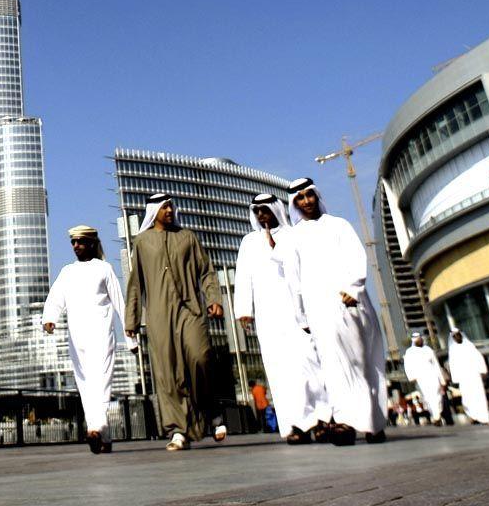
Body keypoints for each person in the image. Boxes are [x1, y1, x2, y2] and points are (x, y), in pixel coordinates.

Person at [283, 177, 387, 445]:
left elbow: (356, 258)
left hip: (350, 303)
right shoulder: (293, 237)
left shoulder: (338, 225)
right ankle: (345, 422)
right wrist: (301, 315)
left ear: (316, 196)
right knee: (333, 366)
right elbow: (294, 280)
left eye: (309, 196)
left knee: (360, 363)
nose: (306, 202)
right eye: (300, 198)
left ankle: (372, 423)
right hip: (319, 310)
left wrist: (352, 289)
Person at [124, 192, 226, 451]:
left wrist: (213, 298)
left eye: (171, 207)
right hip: (159, 315)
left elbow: (206, 271)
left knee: (200, 358)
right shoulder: (143, 242)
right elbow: (136, 284)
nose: (169, 211)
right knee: (168, 373)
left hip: (191, 309)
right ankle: (178, 430)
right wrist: (132, 320)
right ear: (154, 211)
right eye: (164, 207)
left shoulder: (187, 237)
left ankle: (209, 408)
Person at [235, 193, 330, 444]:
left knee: (310, 364)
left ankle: (321, 418)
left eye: (265, 210)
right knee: (280, 370)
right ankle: (295, 425)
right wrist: (244, 309)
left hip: (298, 311)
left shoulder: (293, 235)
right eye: (257, 212)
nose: (261, 215)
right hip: (268, 316)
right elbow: (243, 277)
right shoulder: (249, 242)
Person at [42, 224, 134, 454]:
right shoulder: (67, 272)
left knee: (101, 382)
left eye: (81, 242)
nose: (76, 246)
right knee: (85, 385)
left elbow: (120, 304)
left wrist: (131, 337)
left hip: (102, 334)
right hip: (77, 337)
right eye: (73, 242)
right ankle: (104, 437)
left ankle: (94, 427)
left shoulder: (105, 268)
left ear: (91, 243)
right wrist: (49, 318)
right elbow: (55, 298)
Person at [403, 333, 447, 425]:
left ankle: (436, 415)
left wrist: (442, 379)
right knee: (428, 397)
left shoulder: (428, 349)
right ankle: (436, 416)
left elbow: (436, 364)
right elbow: (408, 366)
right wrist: (412, 377)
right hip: (421, 378)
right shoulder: (409, 352)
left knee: (437, 396)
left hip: (433, 376)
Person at [447, 330, 489, 424]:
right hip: (463, 378)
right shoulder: (453, 350)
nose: (457, 337)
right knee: (467, 398)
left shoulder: (470, 346)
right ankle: (473, 416)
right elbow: (453, 365)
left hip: (475, 375)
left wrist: (483, 371)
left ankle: (483, 418)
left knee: (479, 396)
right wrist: (455, 378)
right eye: (455, 336)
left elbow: (479, 358)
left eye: (458, 335)